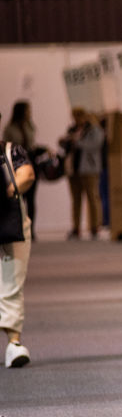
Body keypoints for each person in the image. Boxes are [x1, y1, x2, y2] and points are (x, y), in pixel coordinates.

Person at [0, 110, 36, 367]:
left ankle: (14, 343)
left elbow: (27, 174)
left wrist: (8, 191)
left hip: (10, 225)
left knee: (11, 283)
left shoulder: (11, 151)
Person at [59, 108, 105, 240]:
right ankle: (76, 227)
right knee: (76, 199)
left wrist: (77, 142)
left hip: (89, 169)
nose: (76, 118)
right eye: (74, 116)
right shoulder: (72, 129)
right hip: (74, 169)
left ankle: (95, 226)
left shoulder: (94, 130)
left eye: (78, 115)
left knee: (92, 197)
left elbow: (95, 145)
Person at [2, 101, 42, 241]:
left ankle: (31, 230)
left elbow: (32, 144)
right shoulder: (10, 128)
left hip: (31, 162)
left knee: (31, 199)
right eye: (27, 110)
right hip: (16, 163)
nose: (29, 112)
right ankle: (17, 229)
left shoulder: (29, 126)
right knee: (17, 199)